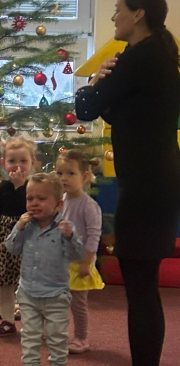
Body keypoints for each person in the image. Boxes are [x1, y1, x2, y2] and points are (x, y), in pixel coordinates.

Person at [76, 0, 180, 366]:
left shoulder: (139, 56)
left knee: (140, 289)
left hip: (148, 187)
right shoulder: (157, 55)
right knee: (142, 287)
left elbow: (86, 108)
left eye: (119, 9)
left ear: (139, 14)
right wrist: (103, 90)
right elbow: (121, 112)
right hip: (155, 182)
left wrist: (93, 82)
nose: (114, 16)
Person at [6, 173, 85, 366]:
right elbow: (11, 248)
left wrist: (70, 237)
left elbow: (78, 255)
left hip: (56, 292)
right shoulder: (26, 225)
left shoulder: (65, 227)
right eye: (30, 198)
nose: (34, 203)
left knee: (57, 334)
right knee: (30, 334)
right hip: (28, 291)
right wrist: (18, 227)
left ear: (58, 204)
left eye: (41, 199)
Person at [0, 137, 35, 337]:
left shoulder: (33, 186)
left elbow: (30, 207)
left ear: (32, 162)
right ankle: (7, 321)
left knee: (28, 285)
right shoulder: (2, 187)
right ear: (3, 163)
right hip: (5, 240)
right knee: (4, 285)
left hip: (27, 239)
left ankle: (32, 323)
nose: (17, 166)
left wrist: (20, 187)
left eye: (23, 161)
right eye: (12, 161)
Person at [56, 150, 103, 354]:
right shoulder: (61, 201)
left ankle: (81, 338)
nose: (63, 178)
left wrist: (87, 262)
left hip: (80, 262)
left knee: (78, 304)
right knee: (56, 300)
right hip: (61, 261)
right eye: (59, 173)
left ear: (84, 177)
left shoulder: (89, 206)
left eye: (70, 173)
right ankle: (56, 332)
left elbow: (94, 235)